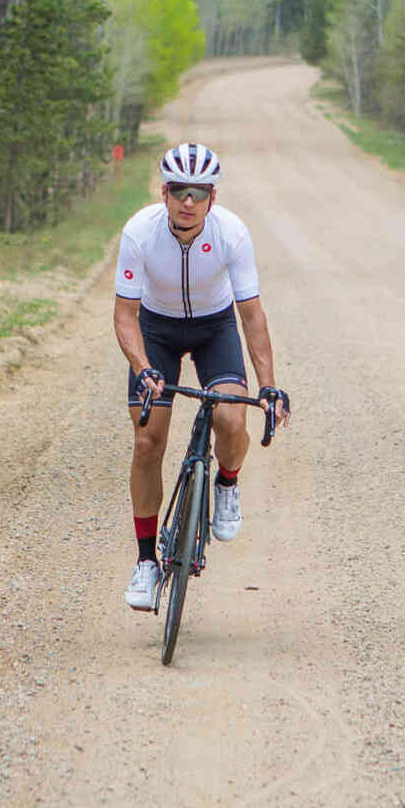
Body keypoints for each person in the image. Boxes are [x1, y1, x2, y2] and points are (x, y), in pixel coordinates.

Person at [113, 143, 290, 611]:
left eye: (199, 192)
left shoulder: (231, 233)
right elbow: (125, 316)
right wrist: (141, 366)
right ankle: (146, 562)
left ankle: (227, 484)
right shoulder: (139, 233)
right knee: (148, 441)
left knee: (232, 420)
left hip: (215, 327)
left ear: (212, 197)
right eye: (179, 191)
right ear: (164, 192)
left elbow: (252, 317)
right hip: (156, 329)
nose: (188, 202)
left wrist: (268, 385)